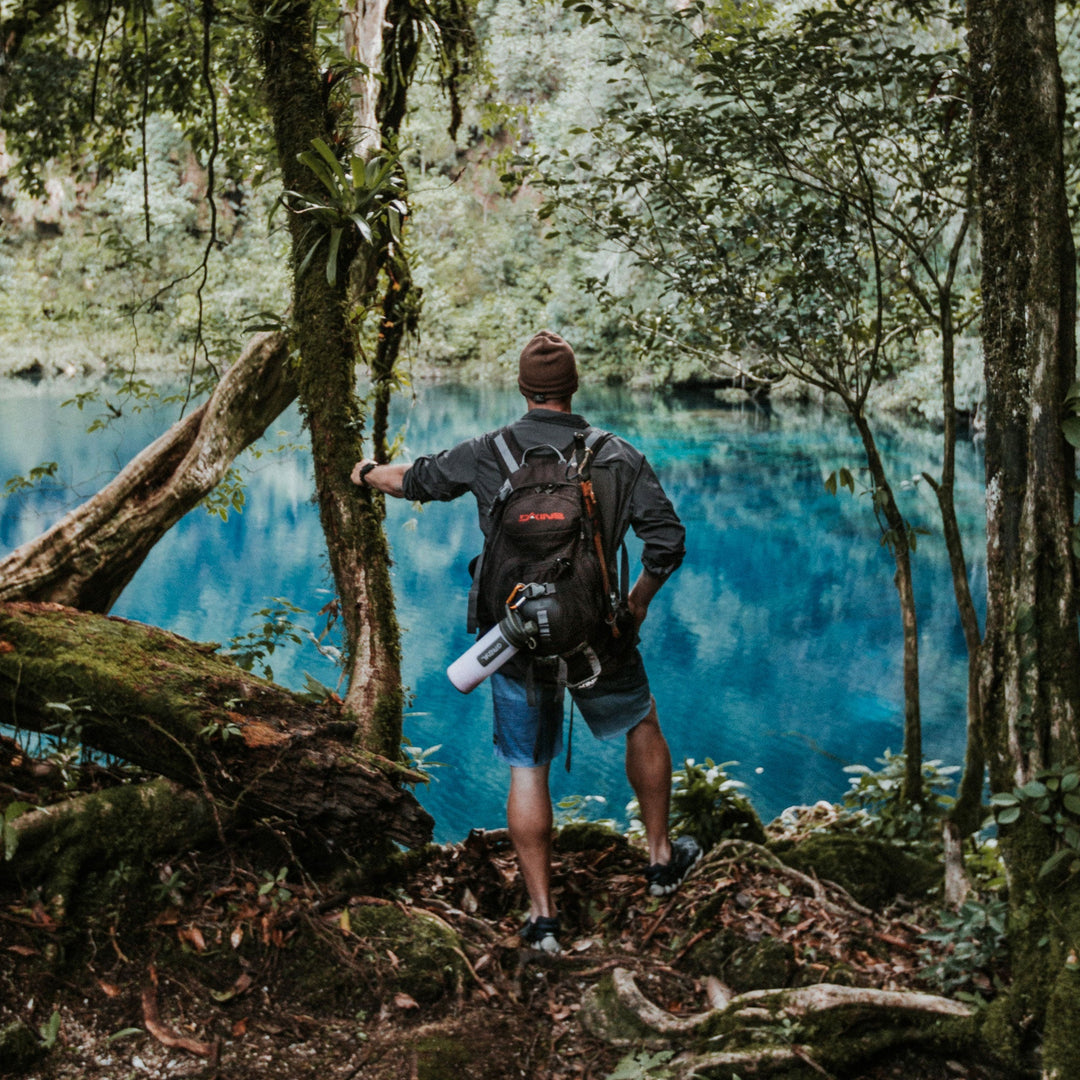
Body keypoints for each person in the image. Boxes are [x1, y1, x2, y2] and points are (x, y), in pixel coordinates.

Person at [351, 330, 699, 954]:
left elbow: (419, 481)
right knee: (642, 724)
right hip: (599, 635)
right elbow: (667, 541)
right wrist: (637, 603)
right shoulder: (617, 454)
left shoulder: (490, 452)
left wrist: (367, 472)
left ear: (522, 389)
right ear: (572, 388)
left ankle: (542, 918)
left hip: (511, 642)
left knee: (526, 767)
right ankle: (660, 861)